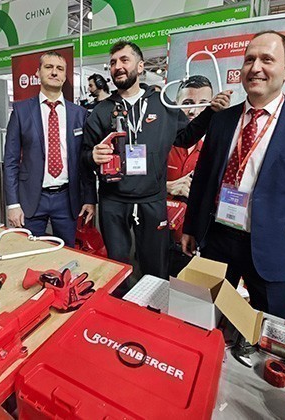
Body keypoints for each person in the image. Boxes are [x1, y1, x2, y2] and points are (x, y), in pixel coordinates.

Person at [182, 31, 285, 321]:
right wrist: (191, 227)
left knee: (270, 331)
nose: (255, 68)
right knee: (201, 316)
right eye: (249, 60)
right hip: (217, 238)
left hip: (275, 249)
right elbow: (203, 179)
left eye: (267, 59)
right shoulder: (221, 120)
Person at [83, 40, 231, 279]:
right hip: (113, 201)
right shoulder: (101, 111)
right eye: (113, 62)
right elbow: (84, 156)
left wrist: (210, 113)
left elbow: (184, 137)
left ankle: (154, 301)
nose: (118, 66)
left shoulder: (161, 103)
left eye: (124, 60)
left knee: (155, 265)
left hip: (152, 199)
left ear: (140, 66)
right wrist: (92, 156)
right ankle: (118, 300)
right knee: (117, 267)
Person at [4, 51, 95, 247]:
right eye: (48, 67)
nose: (54, 72)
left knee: (67, 251)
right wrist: (12, 204)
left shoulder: (79, 114)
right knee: (30, 251)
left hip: (67, 199)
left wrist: (89, 198)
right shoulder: (21, 111)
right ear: (38, 72)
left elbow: (84, 161)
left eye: (60, 69)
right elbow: (10, 161)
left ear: (64, 76)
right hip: (31, 199)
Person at [166, 75, 214, 276]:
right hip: (159, 236)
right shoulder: (161, 144)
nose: (194, 111)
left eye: (203, 104)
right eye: (187, 103)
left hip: (197, 239)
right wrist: (166, 186)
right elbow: (135, 182)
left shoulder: (216, 148)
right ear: (176, 104)